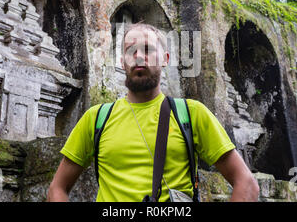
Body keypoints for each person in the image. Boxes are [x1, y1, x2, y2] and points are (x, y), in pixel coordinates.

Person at [47, 22, 259, 202]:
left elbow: (246, 183)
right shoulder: (96, 119)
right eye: (131, 51)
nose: (139, 57)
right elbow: (57, 188)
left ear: (165, 58)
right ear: (122, 62)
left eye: (148, 49)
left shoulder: (191, 114)